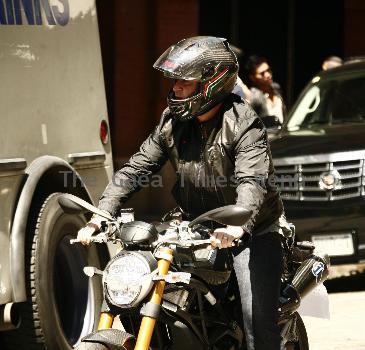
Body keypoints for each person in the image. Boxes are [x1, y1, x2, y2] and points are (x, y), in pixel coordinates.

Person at [77, 36, 290, 350]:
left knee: (256, 323)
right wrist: (101, 214)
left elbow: (252, 182)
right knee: (140, 288)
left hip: (252, 231)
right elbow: (136, 168)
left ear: (211, 83)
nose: (175, 87)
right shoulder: (172, 123)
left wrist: (238, 224)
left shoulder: (245, 125)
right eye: (174, 80)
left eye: (184, 82)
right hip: (195, 226)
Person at [244, 54, 286, 125]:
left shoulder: (276, 88)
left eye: (268, 70)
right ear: (252, 77)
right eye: (262, 73)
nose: (268, 75)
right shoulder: (254, 97)